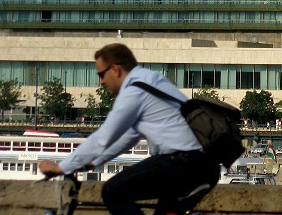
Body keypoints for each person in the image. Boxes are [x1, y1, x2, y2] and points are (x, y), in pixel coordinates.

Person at [39, 43, 220, 215]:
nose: (101, 82)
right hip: (205, 167)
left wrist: (62, 166)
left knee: (113, 192)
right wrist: (93, 163)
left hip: (183, 165)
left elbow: (103, 137)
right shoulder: (151, 80)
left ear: (115, 69)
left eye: (101, 74)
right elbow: (128, 138)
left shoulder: (134, 91)